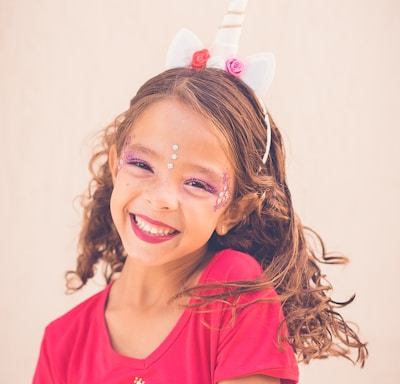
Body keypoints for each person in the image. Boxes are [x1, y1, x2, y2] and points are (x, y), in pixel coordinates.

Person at [33, 2, 368, 383]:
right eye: (142, 165)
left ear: (233, 210)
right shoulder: (63, 342)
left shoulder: (236, 293)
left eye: (197, 184)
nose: (161, 198)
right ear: (115, 166)